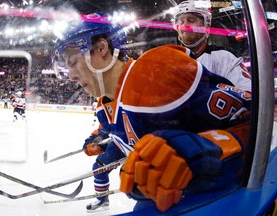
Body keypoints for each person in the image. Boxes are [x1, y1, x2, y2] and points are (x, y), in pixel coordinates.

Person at [53, 12, 251, 212]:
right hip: (170, 203)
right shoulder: (104, 107)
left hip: (222, 202)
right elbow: (117, 131)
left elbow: (252, 117)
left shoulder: (154, 72)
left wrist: (207, 149)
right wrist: (96, 140)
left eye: (73, 62)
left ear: (101, 48)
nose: (71, 75)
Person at [171, 0, 251, 92]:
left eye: (191, 20)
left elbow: (247, 94)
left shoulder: (225, 58)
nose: (185, 25)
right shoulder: (169, 59)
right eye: (181, 21)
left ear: (206, 25)